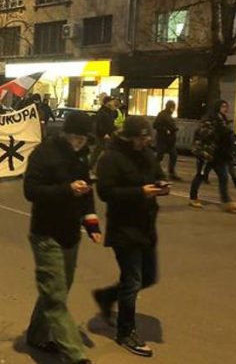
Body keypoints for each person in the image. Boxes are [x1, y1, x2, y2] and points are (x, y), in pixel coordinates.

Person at [23, 112, 101, 364]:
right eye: (75, 138)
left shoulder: (80, 157)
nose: (79, 143)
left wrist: (92, 224)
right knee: (55, 297)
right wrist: (67, 190)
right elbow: (31, 191)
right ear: (65, 133)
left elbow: (87, 191)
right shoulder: (44, 153)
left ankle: (36, 335)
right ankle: (75, 355)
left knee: (58, 289)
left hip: (70, 234)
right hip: (46, 233)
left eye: (83, 139)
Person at [92, 116, 168, 358]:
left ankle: (106, 296)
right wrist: (139, 193)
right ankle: (126, 332)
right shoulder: (111, 157)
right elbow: (105, 192)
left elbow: (157, 172)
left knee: (148, 277)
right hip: (124, 228)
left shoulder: (147, 153)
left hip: (146, 226)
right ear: (128, 136)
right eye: (139, 138)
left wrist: (161, 184)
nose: (143, 142)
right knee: (132, 280)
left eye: (146, 138)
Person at [189, 100, 236, 212]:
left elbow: (226, 134)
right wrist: (218, 132)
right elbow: (203, 134)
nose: (225, 108)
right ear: (217, 107)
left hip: (219, 154)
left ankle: (226, 201)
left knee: (224, 177)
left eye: (226, 106)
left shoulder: (224, 120)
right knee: (200, 175)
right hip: (206, 153)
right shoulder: (209, 119)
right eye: (223, 106)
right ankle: (193, 198)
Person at [153, 100, 181, 181]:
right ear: (170, 107)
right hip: (163, 140)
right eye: (173, 107)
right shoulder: (162, 115)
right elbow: (155, 125)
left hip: (169, 141)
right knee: (159, 156)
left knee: (174, 155)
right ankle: (154, 170)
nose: (174, 109)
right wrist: (166, 130)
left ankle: (171, 172)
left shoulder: (168, 115)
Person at [90, 96, 119, 171]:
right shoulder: (101, 112)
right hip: (102, 136)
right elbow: (98, 125)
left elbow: (113, 120)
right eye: (111, 101)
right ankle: (91, 167)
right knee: (98, 152)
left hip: (109, 135)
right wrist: (104, 134)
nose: (113, 103)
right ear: (107, 103)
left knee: (107, 153)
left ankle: (104, 168)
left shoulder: (111, 111)